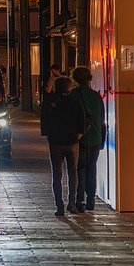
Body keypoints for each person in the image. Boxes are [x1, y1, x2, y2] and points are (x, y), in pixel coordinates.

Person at [39, 76, 85, 216]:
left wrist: (47, 133)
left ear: (56, 86)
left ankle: (59, 205)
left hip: (55, 141)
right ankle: (72, 203)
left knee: (57, 174)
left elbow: (44, 118)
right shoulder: (75, 100)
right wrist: (79, 133)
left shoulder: (49, 100)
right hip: (72, 141)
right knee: (73, 172)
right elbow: (82, 117)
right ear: (69, 87)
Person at [70, 66, 104, 212]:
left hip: (80, 137)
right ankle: (91, 200)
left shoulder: (74, 94)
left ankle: (80, 201)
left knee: (80, 169)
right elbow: (102, 118)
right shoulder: (96, 96)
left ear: (75, 78)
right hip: (96, 137)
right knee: (92, 168)